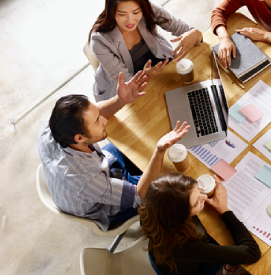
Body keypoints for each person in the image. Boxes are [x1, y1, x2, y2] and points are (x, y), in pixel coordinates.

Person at [38, 70, 190, 231]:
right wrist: (159, 151)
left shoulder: (53, 125)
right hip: (104, 206)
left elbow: (94, 114)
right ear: (79, 138)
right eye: (97, 121)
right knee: (173, 186)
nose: (104, 120)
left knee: (140, 146)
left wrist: (120, 100)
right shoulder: (85, 181)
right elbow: (140, 195)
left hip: (96, 169)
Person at [138, 173, 261, 275]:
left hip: (160, 259)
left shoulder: (151, 206)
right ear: (181, 217)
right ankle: (231, 270)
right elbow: (252, 253)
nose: (204, 197)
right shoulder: (186, 245)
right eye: (196, 202)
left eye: (199, 189)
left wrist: (190, 192)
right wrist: (224, 209)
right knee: (227, 242)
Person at [90, 0, 203, 101]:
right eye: (122, 14)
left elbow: (183, 28)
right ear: (111, 12)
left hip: (158, 69)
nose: (130, 20)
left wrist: (195, 33)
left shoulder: (147, 9)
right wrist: (144, 76)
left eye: (136, 12)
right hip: (124, 89)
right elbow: (126, 84)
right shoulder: (99, 40)